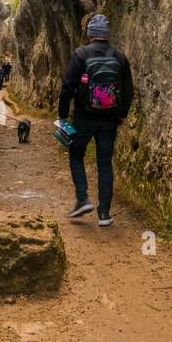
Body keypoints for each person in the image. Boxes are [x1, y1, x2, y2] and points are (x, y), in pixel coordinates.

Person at [58, 13, 133, 227]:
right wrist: (121, 114)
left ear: (90, 34)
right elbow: (128, 90)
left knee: (75, 154)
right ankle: (105, 214)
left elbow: (67, 88)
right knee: (105, 164)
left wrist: (62, 116)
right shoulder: (119, 56)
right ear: (107, 35)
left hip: (84, 118)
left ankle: (82, 199)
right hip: (110, 119)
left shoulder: (81, 55)